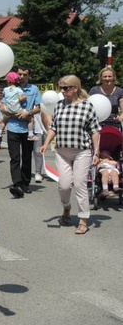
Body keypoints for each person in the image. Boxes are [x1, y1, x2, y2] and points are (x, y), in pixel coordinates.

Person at [40, 75, 101, 235]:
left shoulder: (87, 106)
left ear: (75, 88)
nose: (62, 91)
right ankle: (66, 207)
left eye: (66, 88)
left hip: (82, 151)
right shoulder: (59, 105)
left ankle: (83, 219)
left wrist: (97, 151)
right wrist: (46, 143)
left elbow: (95, 130)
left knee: (80, 184)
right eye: (60, 87)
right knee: (64, 185)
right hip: (62, 151)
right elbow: (53, 127)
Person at [1, 65, 42, 198]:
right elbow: (2, 106)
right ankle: (17, 184)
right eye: (20, 74)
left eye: (25, 74)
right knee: (14, 158)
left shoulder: (34, 89)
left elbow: (38, 108)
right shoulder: (8, 89)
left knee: (26, 157)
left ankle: (25, 184)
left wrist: (28, 113)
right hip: (13, 127)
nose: (22, 77)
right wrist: (12, 114)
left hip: (28, 127)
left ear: (28, 76)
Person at [2, 72, 34, 138]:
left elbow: (4, 97)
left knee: (4, 119)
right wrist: (25, 97)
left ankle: (0, 131)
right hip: (17, 110)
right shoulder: (18, 90)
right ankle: (31, 134)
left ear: (8, 80)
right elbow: (20, 99)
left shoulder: (5, 89)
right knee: (30, 119)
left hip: (8, 109)